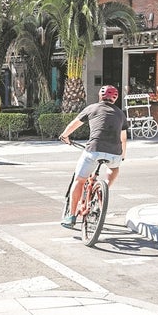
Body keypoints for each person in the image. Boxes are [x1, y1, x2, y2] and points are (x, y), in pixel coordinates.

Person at [59, 85, 128, 228]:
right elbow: (123, 139)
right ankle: (103, 190)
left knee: (79, 180)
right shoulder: (121, 114)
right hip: (114, 153)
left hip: (93, 150)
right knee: (114, 169)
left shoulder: (92, 108)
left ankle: (71, 216)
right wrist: (122, 156)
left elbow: (74, 124)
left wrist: (65, 136)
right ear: (115, 99)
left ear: (100, 96)